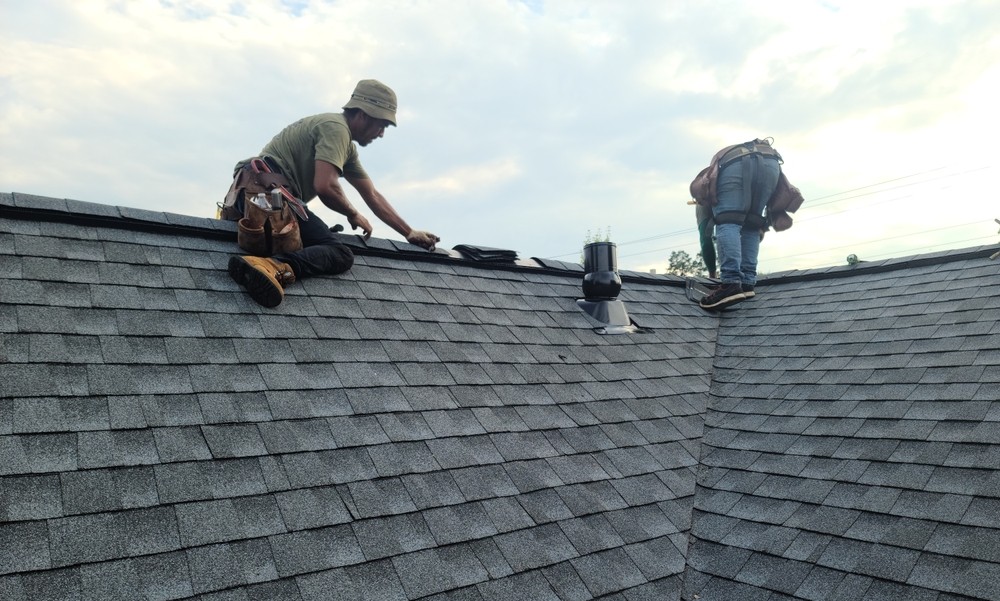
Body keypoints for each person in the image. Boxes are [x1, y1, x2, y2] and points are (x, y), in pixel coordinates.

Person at [221, 79, 440, 307]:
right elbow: (325, 186)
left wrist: (409, 232)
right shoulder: (336, 128)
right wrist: (352, 213)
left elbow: (372, 194)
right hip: (268, 196)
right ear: (363, 115)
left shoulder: (345, 145)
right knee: (338, 252)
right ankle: (271, 267)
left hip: (257, 195)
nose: (382, 134)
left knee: (319, 241)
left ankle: (264, 264)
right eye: (381, 125)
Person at [690, 138, 783, 310]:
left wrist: (714, 275)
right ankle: (747, 283)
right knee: (752, 223)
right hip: (771, 163)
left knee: (727, 221)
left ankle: (731, 284)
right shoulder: (715, 178)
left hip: (736, 163)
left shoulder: (707, 189)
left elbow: (705, 238)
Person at [693, 202, 717, 279]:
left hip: (729, 193)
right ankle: (712, 274)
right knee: (706, 239)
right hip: (704, 199)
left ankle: (738, 272)